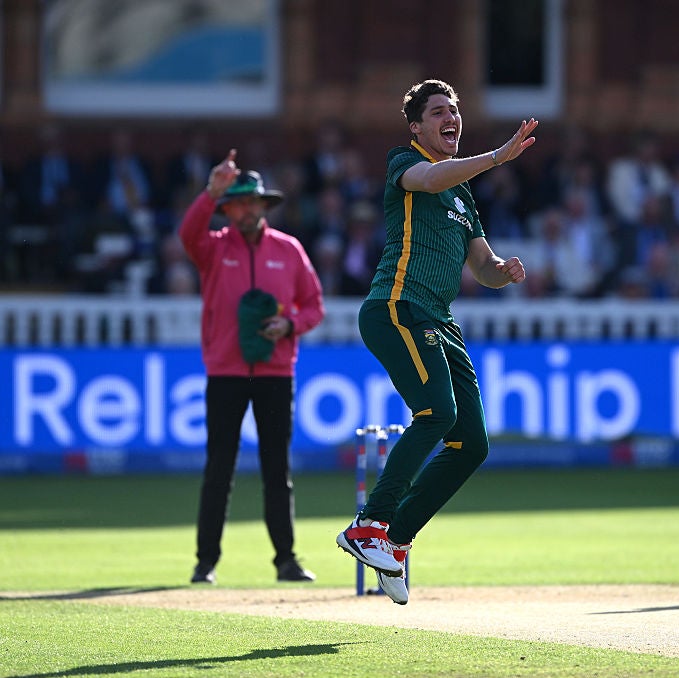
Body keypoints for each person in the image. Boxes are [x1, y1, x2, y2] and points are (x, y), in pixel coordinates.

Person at [335, 79, 537, 605]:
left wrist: (503, 271)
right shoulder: (404, 162)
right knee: (436, 413)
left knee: (472, 443)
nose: (451, 118)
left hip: (440, 320)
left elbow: (483, 268)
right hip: (397, 308)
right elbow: (430, 178)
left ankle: (396, 542)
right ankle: (369, 525)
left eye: (455, 110)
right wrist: (496, 156)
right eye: (439, 112)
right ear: (417, 126)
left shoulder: (464, 196)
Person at [180, 149, 325, 585]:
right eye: (236, 204)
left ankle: (286, 560)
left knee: (276, 469)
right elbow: (187, 235)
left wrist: (290, 324)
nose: (243, 210)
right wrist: (211, 193)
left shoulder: (289, 249)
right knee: (219, 467)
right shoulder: (214, 247)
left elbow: (314, 306)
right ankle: (205, 562)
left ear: (263, 205)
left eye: (250, 202)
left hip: (276, 372)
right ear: (229, 208)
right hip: (225, 370)